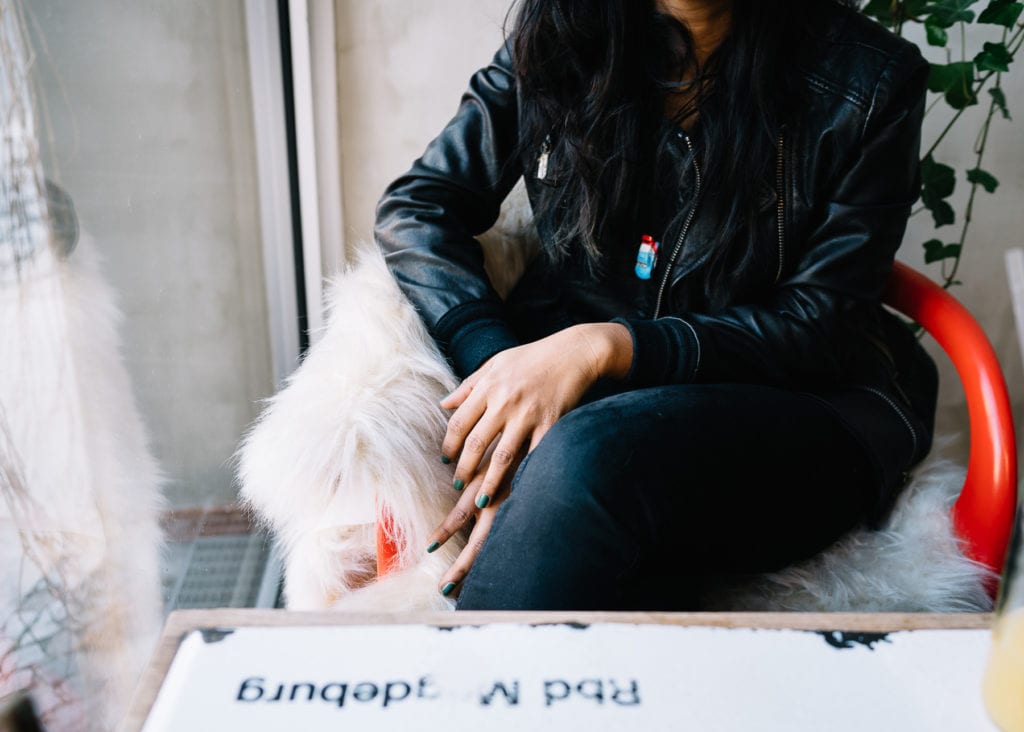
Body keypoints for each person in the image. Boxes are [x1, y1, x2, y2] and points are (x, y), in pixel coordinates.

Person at [374, 0, 938, 610]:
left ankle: (486, 693)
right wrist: (503, 368)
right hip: (600, 409)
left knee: (588, 458)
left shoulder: (871, 79)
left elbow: (818, 328)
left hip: (797, 404)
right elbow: (419, 208)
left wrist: (609, 346)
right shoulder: (561, 34)